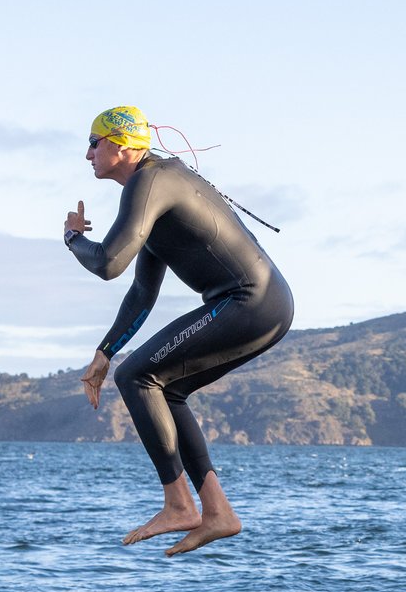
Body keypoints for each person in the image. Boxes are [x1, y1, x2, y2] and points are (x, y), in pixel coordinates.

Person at [65, 106, 296, 557]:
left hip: (250, 301)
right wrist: (105, 351)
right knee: (161, 388)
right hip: (261, 304)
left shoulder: (150, 181)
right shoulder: (154, 186)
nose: (87, 154)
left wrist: (73, 238)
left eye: (92, 143)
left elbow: (109, 263)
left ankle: (179, 504)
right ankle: (216, 513)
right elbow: (141, 293)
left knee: (138, 377)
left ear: (120, 145)